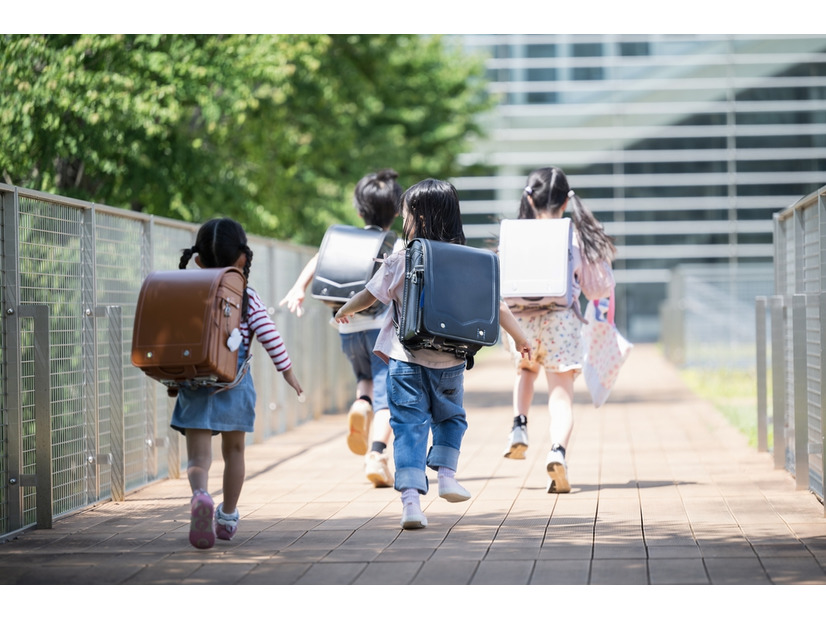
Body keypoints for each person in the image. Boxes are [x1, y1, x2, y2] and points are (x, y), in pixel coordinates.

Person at [334, 178, 531, 530]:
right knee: (451, 418)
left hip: (406, 360)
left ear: (418, 219)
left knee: (408, 427)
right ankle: (447, 474)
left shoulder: (403, 258)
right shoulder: (472, 262)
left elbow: (370, 294)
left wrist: (344, 309)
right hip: (452, 360)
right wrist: (521, 338)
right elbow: (497, 307)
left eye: (407, 214)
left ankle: (411, 503)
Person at [172, 217, 303, 549]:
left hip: (195, 384)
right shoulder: (245, 296)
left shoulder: (188, 292)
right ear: (242, 258)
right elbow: (268, 334)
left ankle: (200, 495)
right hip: (235, 384)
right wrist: (287, 371)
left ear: (198, 260)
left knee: (198, 459)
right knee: (234, 452)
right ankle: (227, 516)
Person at [280, 169, 403, 488]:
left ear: (359, 210)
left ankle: (360, 406)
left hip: (347, 330)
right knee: (388, 398)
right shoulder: (395, 244)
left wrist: (298, 288)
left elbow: (318, 259)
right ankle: (377, 454)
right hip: (382, 332)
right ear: (396, 211)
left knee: (364, 380)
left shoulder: (345, 239)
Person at [501, 166, 616, 494]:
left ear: (529, 198)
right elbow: (598, 288)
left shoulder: (515, 234)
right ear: (566, 202)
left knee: (525, 374)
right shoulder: (575, 236)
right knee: (561, 395)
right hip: (562, 321)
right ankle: (558, 452)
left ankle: (519, 426)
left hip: (520, 321)